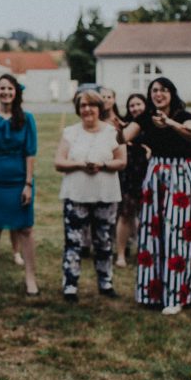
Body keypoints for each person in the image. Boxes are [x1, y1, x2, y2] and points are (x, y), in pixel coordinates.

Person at [120, 77, 191, 315]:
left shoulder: (183, 114)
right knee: (152, 231)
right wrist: (116, 128)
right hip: (155, 175)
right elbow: (123, 137)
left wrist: (170, 123)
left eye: (163, 90)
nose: (158, 94)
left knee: (178, 233)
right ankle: (152, 292)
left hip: (180, 175)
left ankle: (177, 295)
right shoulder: (146, 117)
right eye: (154, 90)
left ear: (172, 93)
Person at [54, 90, 126, 302]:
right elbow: (59, 161)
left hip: (106, 195)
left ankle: (106, 282)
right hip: (76, 195)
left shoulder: (112, 132)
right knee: (73, 242)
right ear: (78, 110)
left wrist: (103, 165)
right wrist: (80, 164)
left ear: (99, 108)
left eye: (91, 105)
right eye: (83, 105)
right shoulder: (70, 132)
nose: (87, 109)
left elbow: (122, 161)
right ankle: (70, 285)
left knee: (104, 241)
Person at [0, 74, 39, 296]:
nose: (5, 92)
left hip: (19, 181)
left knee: (26, 229)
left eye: (9, 89)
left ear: (15, 92)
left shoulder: (27, 118)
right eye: (2, 88)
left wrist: (28, 184)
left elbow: (30, 152)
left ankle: (31, 277)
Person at [115, 93, 149, 268]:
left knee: (147, 217)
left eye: (139, 104)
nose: (135, 108)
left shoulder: (152, 125)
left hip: (149, 175)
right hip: (130, 176)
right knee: (126, 215)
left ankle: (143, 252)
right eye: (132, 105)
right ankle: (120, 254)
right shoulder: (126, 126)